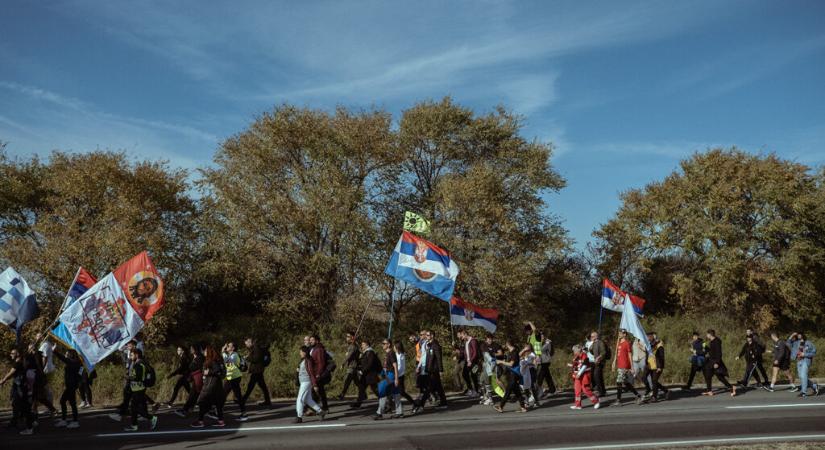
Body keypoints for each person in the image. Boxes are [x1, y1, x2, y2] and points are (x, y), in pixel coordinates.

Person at [0, 349, 36, 435]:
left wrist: (3, 380)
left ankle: (29, 427)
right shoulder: (21, 362)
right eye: (11, 353)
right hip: (20, 387)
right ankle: (21, 422)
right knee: (20, 406)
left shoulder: (18, 363)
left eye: (12, 353)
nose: (10, 354)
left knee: (23, 407)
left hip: (20, 388)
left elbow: (11, 373)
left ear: (17, 354)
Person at [123, 349, 158, 432]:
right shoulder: (140, 363)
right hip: (137, 388)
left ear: (137, 355)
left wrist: (128, 377)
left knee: (134, 408)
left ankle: (152, 418)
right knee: (134, 407)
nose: (130, 357)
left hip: (138, 388)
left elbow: (138, 377)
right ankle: (134, 425)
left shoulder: (139, 364)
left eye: (131, 355)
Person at [192, 345, 226, 428]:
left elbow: (217, 370)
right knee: (218, 403)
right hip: (217, 385)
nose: (204, 352)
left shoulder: (212, 360)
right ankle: (221, 421)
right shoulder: (218, 359)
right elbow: (220, 371)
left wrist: (208, 372)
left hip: (210, 385)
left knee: (202, 402)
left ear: (209, 352)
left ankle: (200, 422)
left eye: (206, 351)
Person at [493, 339, 528, 413]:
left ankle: (500, 406)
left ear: (508, 344)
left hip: (514, 374)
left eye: (506, 344)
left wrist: (501, 362)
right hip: (513, 374)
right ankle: (523, 407)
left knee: (508, 391)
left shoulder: (514, 352)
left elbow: (511, 364)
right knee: (517, 392)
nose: (505, 346)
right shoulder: (512, 352)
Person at [294, 346, 326, 423]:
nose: (300, 353)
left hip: (306, 382)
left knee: (300, 399)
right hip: (303, 382)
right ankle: (321, 412)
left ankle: (299, 417)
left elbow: (311, 373)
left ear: (305, 352)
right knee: (308, 400)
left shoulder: (308, 361)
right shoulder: (304, 360)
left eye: (301, 352)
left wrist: (314, 385)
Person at [52, 349, 83, 429]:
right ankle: (65, 420)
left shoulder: (72, 362)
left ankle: (74, 421)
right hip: (71, 385)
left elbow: (62, 358)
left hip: (71, 385)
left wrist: (55, 351)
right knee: (66, 402)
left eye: (67, 353)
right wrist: (78, 382)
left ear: (71, 355)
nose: (65, 354)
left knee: (69, 402)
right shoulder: (79, 363)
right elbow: (81, 374)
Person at [612, 329, 643, 406]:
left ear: (625, 334)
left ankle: (618, 400)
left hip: (624, 366)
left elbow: (630, 355)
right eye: (619, 333)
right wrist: (614, 362)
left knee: (619, 382)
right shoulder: (619, 343)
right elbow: (617, 354)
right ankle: (638, 395)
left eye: (621, 333)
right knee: (626, 383)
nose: (619, 334)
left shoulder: (627, 343)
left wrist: (631, 367)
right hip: (619, 365)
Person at [703, 329, 736, 397]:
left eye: (707, 334)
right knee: (708, 375)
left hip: (715, 362)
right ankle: (709, 391)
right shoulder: (712, 341)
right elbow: (711, 351)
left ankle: (731, 387)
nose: (706, 335)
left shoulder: (717, 341)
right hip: (711, 361)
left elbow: (719, 353)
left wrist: (717, 363)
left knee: (719, 377)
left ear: (710, 334)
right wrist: (706, 348)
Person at [175, 343, 205, 418]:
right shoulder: (195, 357)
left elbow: (196, 368)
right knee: (195, 395)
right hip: (195, 378)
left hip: (198, 378)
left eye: (192, 348)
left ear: (196, 349)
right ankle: (189, 408)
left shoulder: (200, 358)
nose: (191, 350)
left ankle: (185, 410)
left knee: (193, 394)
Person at [375, 338, 402, 420]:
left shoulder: (391, 353)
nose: (382, 345)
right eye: (382, 343)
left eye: (384, 343)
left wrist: (396, 378)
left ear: (388, 344)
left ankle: (379, 413)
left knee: (382, 391)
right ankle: (399, 412)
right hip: (388, 375)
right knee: (396, 393)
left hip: (391, 376)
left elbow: (395, 366)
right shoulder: (387, 354)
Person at [221, 342, 248, 421]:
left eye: (229, 346)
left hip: (234, 377)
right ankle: (218, 411)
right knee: (225, 394)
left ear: (233, 348)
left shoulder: (234, 355)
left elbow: (228, 362)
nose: (227, 347)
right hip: (231, 377)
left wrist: (223, 352)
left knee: (237, 395)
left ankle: (244, 414)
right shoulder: (231, 354)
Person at [242, 337, 272, 407]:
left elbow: (256, 358)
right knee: (262, 386)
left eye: (246, 344)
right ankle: (267, 401)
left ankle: (243, 400)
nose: (246, 345)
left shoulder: (256, 347)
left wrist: (247, 358)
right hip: (258, 369)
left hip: (256, 370)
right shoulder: (256, 347)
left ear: (249, 341)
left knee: (251, 386)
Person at [568, 344, 600, 410]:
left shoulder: (584, 356)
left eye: (574, 351)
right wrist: (571, 366)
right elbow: (576, 365)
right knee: (577, 390)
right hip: (577, 376)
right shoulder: (576, 357)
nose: (574, 352)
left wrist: (579, 373)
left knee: (585, 389)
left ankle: (596, 401)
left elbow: (584, 365)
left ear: (578, 351)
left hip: (585, 375)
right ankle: (578, 405)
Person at [352, 338, 381, 408]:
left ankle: (386, 402)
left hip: (370, 375)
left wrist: (362, 371)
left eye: (363, 345)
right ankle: (358, 403)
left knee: (375, 390)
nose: (362, 346)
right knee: (361, 388)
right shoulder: (365, 352)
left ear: (367, 345)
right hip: (365, 375)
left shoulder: (370, 352)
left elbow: (370, 364)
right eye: (362, 345)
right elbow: (362, 362)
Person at [789, 332, 819, 398]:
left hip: (805, 360)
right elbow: (788, 343)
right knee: (801, 377)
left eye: (800, 334)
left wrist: (804, 354)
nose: (799, 336)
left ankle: (803, 392)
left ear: (803, 335)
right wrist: (792, 335)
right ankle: (814, 386)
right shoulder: (795, 343)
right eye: (798, 335)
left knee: (803, 375)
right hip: (799, 361)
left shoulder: (808, 343)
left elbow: (814, 352)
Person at [644, 332, 669, 402]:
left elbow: (661, 357)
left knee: (654, 381)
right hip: (649, 365)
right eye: (647, 337)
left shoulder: (659, 345)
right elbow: (647, 353)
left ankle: (654, 397)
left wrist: (660, 367)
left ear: (653, 337)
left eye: (649, 337)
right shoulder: (648, 344)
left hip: (657, 366)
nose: (648, 338)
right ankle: (664, 390)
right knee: (644, 377)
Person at [426, 331, 448, 408]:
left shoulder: (435, 345)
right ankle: (441, 401)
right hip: (430, 369)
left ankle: (443, 402)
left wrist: (440, 370)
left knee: (437, 386)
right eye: (426, 335)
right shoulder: (430, 345)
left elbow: (439, 358)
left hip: (434, 369)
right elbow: (428, 358)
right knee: (436, 386)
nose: (426, 336)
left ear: (432, 336)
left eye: (428, 335)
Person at [309, 335, 330, 412]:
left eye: (312, 340)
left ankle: (314, 409)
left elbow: (321, 363)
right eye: (310, 340)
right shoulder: (314, 349)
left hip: (317, 374)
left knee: (315, 391)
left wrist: (318, 373)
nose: (310, 341)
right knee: (320, 391)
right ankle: (325, 407)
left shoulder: (319, 349)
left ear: (317, 341)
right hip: (315, 373)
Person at [338, 331, 360, 400]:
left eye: (348, 336)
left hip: (352, 366)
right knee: (357, 382)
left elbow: (349, 356)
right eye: (346, 336)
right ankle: (363, 393)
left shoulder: (353, 346)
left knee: (347, 380)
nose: (346, 338)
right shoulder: (351, 345)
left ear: (352, 337)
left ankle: (342, 394)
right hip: (352, 366)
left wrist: (343, 363)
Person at [459, 328, 481, 397]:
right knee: (464, 374)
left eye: (462, 336)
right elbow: (465, 352)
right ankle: (471, 389)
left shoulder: (473, 341)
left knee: (473, 376)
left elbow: (475, 352)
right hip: (467, 362)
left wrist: (471, 361)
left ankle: (477, 391)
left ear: (465, 334)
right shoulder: (466, 342)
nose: (461, 337)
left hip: (473, 361)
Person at [394, 340, 416, 405]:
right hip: (398, 375)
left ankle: (413, 402)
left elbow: (401, 367)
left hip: (399, 376)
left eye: (394, 346)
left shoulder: (401, 355)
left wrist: (396, 375)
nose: (393, 348)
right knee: (396, 392)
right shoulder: (397, 355)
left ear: (397, 347)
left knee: (401, 392)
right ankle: (389, 406)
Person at [536, 331, 556, 398]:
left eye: (543, 335)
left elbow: (550, 352)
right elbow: (537, 351)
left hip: (545, 361)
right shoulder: (538, 342)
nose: (542, 337)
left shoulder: (548, 342)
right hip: (540, 361)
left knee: (540, 377)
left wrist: (547, 356)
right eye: (541, 336)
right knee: (547, 376)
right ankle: (552, 389)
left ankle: (539, 392)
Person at [588, 331, 608, 397]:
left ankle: (600, 391)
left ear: (596, 336)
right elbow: (590, 350)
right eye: (591, 336)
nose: (591, 337)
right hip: (596, 362)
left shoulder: (600, 342)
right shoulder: (594, 343)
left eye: (592, 336)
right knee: (599, 376)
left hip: (601, 362)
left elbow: (604, 352)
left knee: (596, 375)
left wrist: (599, 357)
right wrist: (592, 344)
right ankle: (603, 391)